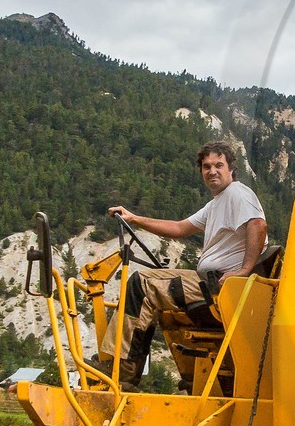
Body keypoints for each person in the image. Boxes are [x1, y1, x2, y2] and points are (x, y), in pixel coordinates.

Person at [104, 140, 268, 387]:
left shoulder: (238, 193)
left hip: (220, 285)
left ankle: (121, 371)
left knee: (142, 284)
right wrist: (134, 218)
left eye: (218, 165)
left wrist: (244, 270)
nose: (212, 171)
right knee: (151, 290)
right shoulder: (216, 203)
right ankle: (140, 370)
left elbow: (258, 225)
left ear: (231, 169)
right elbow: (180, 228)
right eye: (206, 166)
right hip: (211, 282)